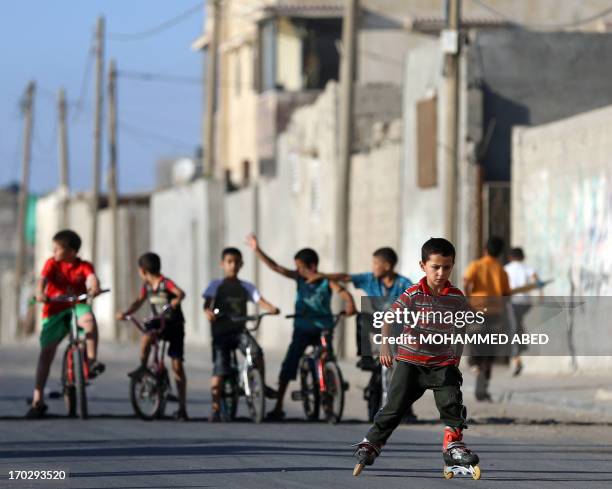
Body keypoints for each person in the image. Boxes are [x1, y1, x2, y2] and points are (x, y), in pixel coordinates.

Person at [352, 238, 479, 475]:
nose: (441, 273)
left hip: (442, 363)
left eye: (447, 267)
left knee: (452, 402)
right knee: (394, 407)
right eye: (435, 267)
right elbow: (389, 318)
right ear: (423, 266)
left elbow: (462, 325)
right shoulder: (413, 294)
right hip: (410, 363)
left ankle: (453, 446)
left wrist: (457, 354)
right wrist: (385, 346)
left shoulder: (456, 297)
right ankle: (371, 443)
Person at [246, 234, 356, 421]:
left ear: (312, 266)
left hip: (324, 327)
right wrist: (257, 250)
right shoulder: (298, 278)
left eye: (300, 266)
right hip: (303, 329)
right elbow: (275, 267)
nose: (297, 270)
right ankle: (279, 405)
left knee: (327, 356)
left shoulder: (326, 281)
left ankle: (330, 387)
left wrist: (350, 305)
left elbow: (344, 293)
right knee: (290, 363)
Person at [308, 247, 416, 420]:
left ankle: (406, 409)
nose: (373, 267)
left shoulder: (404, 284)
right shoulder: (369, 279)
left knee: (405, 370)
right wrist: (323, 276)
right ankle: (365, 355)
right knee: (362, 316)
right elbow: (345, 277)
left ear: (387, 266)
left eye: (376, 264)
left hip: (398, 330)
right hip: (376, 325)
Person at [26, 229, 104, 418]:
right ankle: (38, 399)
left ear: (72, 251)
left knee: (89, 322)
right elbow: (42, 280)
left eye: (57, 249)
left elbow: (91, 277)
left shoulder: (83, 266)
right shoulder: (52, 264)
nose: (53, 253)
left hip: (77, 305)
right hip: (54, 308)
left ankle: (91, 361)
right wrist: (41, 293)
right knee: (47, 352)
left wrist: (94, 287)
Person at [203, 247, 280, 422]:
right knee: (220, 369)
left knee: (256, 352)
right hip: (221, 333)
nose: (233, 265)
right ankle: (215, 408)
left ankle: (259, 382)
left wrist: (272, 309)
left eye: (237, 262)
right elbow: (207, 305)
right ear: (222, 264)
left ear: (241, 264)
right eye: (229, 262)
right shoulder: (216, 285)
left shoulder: (246, 286)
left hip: (239, 331)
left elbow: (259, 300)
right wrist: (208, 313)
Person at [117, 252, 188, 421]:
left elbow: (180, 293)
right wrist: (126, 313)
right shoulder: (146, 286)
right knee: (146, 337)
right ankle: (143, 367)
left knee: (177, 365)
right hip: (158, 322)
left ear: (142, 270)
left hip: (173, 324)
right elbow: (139, 301)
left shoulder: (165, 283)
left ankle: (182, 407)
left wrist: (176, 301)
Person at [463, 236, 511, 401]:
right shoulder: (501, 270)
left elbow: (467, 282)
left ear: (485, 250)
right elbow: (506, 294)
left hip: (477, 309)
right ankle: (481, 390)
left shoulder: (476, 266)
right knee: (489, 353)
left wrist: (468, 299)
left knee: (475, 342)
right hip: (495, 313)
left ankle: (473, 365)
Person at [504, 247, 540, 376]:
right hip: (526, 303)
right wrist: (540, 294)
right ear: (523, 257)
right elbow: (537, 279)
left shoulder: (507, 269)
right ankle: (520, 348)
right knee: (517, 327)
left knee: (512, 330)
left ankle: (517, 358)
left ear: (510, 257)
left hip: (512, 303)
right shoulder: (527, 268)